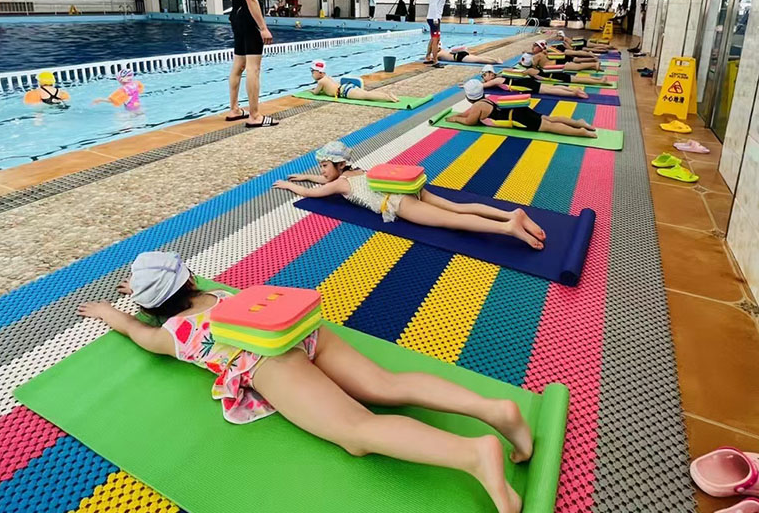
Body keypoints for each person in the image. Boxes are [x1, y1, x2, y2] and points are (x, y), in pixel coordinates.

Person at [79, 251, 533, 513]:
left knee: (357, 431)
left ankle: (473, 454)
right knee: (386, 385)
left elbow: (137, 332)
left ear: (154, 306)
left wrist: (111, 312)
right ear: (191, 279)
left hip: (268, 361)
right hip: (291, 329)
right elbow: (175, 290)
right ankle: (495, 410)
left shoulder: (173, 334)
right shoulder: (222, 296)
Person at [275, 141, 545, 250]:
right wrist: (308, 176)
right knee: (457, 206)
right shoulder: (357, 170)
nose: (320, 171)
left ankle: (508, 227)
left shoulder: (340, 184)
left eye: (324, 165)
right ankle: (511, 213)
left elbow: (317, 193)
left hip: (398, 203)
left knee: (453, 220)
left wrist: (291, 186)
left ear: (339, 166)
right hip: (408, 188)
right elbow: (323, 179)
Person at [224, 0, 278, 128]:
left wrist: (235, 2)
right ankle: (255, 116)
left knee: (239, 64)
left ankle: (234, 109)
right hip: (249, 19)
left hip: (237, 17)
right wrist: (263, 27)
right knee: (253, 68)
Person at [448, 80, 597, 139]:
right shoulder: (485, 100)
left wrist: (455, 119)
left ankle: (581, 132)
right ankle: (579, 122)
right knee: (549, 118)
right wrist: (459, 114)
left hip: (519, 119)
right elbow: (468, 114)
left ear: (468, 97)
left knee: (549, 127)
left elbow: (470, 121)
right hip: (519, 110)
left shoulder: (478, 106)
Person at [309, 59, 399, 103]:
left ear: (320, 72)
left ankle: (388, 98)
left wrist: (312, 91)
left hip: (345, 92)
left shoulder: (321, 82)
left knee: (366, 96)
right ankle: (388, 96)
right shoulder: (327, 77)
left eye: (313, 72)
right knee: (367, 94)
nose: (312, 74)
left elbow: (316, 93)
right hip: (346, 87)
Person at [477, 65, 589, 99]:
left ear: (490, 74)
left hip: (525, 85)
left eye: (484, 75)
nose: (483, 78)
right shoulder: (501, 74)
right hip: (526, 81)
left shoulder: (495, 80)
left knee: (550, 91)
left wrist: (471, 85)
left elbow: (483, 86)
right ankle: (572, 89)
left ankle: (573, 93)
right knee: (552, 88)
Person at [424, 0, 455, 66]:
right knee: (435, 40)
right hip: (434, 18)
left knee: (435, 39)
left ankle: (428, 57)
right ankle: (435, 61)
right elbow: (433, 3)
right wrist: (435, 18)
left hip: (435, 17)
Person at [530, 40, 600, 72]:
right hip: (558, 60)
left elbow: (534, 68)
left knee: (577, 66)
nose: (532, 48)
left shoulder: (538, 55)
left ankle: (593, 63)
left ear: (540, 48)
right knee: (576, 63)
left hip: (557, 62)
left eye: (534, 47)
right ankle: (593, 65)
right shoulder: (543, 52)